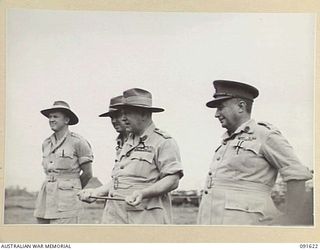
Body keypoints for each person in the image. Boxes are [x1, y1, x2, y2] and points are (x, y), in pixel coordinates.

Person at [197, 80, 313, 226]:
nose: (216, 114)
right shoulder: (227, 140)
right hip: (214, 224)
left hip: (247, 225)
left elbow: (297, 174)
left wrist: (289, 218)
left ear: (241, 106)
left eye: (221, 108)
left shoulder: (265, 135)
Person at [78, 88, 183, 224]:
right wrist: (96, 192)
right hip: (115, 217)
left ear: (144, 114)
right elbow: (120, 181)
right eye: (123, 113)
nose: (123, 118)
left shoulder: (163, 142)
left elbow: (173, 179)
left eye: (127, 113)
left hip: (144, 220)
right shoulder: (127, 142)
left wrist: (143, 193)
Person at [34, 101, 93, 224]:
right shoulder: (46, 143)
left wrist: (72, 190)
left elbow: (87, 174)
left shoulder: (78, 142)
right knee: (43, 235)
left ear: (66, 120)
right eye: (50, 117)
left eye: (55, 116)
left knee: (64, 235)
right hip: (46, 196)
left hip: (67, 199)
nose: (51, 119)